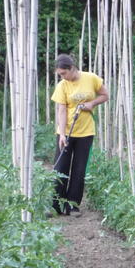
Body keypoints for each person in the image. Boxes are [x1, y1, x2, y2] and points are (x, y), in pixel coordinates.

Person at [50, 53, 109, 216]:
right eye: (60, 74)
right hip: (66, 132)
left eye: (63, 73)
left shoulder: (91, 78)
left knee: (79, 169)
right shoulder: (62, 86)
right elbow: (61, 110)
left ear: (72, 68)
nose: (62, 77)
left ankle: (72, 206)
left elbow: (105, 95)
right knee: (60, 168)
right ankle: (55, 205)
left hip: (86, 132)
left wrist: (91, 103)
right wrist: (62, 135)